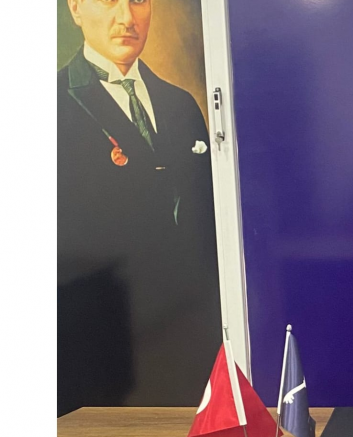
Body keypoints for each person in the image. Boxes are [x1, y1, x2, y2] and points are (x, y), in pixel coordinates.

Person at [57, 0, 220, 409]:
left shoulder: (181, 105)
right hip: (100, 369)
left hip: (191, 356)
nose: (127, 18)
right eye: (109, 1)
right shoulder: (49, 109)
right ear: (75, 8)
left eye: (139, 0)